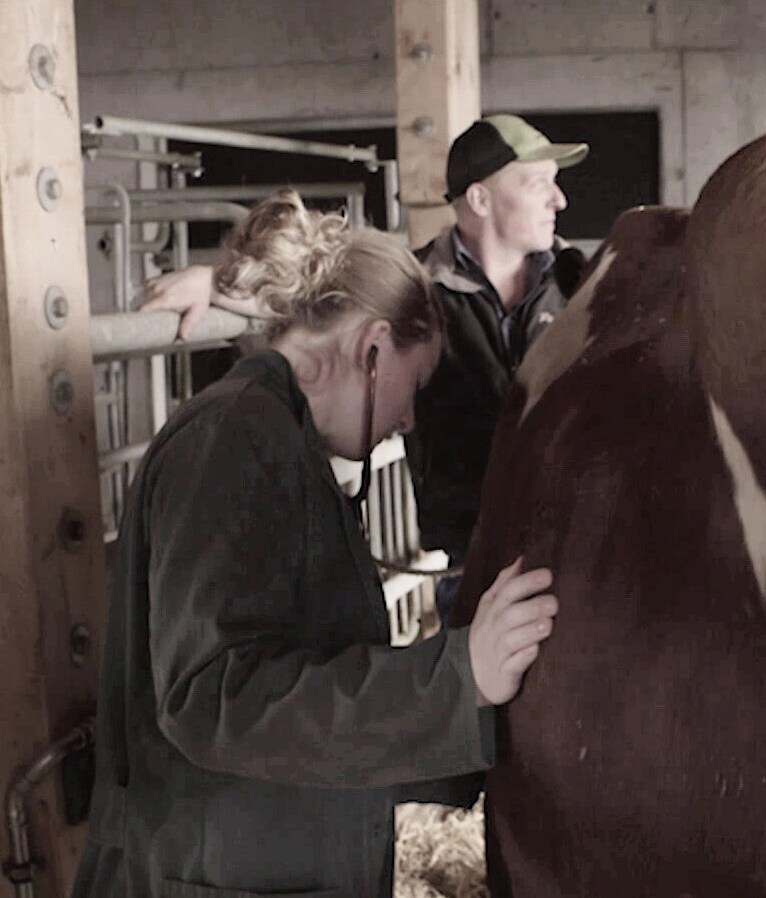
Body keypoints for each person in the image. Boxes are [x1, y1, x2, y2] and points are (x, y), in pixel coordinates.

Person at [72, 190, 560, 898]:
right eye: (413, 385)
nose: (407, 420)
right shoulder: (233, 440)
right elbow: (214, 700)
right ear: (370, 348)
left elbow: (310, 685)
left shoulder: (280, 440)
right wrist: (456, 680)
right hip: (209, 872)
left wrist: (482, 728)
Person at [140, 115, 589, 622]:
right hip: (471, 558)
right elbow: (327, 304)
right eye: (539, 185)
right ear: (480, 200)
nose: (559, 200)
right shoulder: (413, 293)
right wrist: (218, 285)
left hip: (576, 548)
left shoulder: (587, 289)